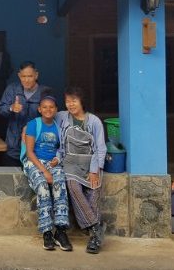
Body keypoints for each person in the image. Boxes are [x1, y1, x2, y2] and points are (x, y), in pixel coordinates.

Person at [56, 86, 107, 254]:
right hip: (70, 162)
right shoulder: (62, 117)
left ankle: (93, 233)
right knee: (73, 186)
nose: (70, 104)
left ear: (82, 102)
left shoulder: (94, 121)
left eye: (74, 101)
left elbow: (100, 148)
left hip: (90, 163)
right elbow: (45, 116)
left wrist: (95, 170)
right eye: (67, 101)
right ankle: (96, 229)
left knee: (94, 192)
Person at [21, 95, 72, 251]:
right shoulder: (33, 125)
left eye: (51, 107)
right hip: (34, 162)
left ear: (56, 109)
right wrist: (44, 171)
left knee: (60, 185)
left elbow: (61, 149)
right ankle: (47, 232)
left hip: (52, 163)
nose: (48, 110)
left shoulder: (59, 126)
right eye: (45, 107)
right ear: (39, 109)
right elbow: (29, 152)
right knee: (43, 186)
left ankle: (61, 231)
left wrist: (57, 158)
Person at [0, 61, 52, 166]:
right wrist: (11, 108)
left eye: (30, 76)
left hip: (38, 147)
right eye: (23, 76)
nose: (26, 80)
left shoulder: (45, 92)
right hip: (14, 146)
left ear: (36, 75)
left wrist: (32, 126)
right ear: (19, 75)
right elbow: (1, 109)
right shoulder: (12, 89)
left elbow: (51, 116)